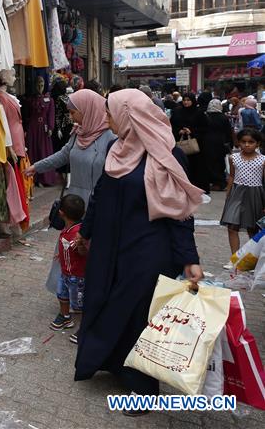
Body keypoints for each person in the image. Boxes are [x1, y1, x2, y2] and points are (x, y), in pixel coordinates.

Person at [75, 88, 203, 406]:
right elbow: (99, 195)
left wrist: (189, 259)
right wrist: (86, 232)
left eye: (110, 113)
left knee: (138, 315)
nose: (106, 119)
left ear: (128, 115)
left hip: (147, 250)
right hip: (109, 248)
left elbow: (180, 213)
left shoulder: (167, 155)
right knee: (104, 302)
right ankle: (114, 364)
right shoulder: (117, 149)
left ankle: (142, 388)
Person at [24, 89, 116, 204]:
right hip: (75, 204)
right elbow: (63, 155)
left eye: (73, 113)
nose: (71, 118)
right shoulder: (78, 133)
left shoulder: (111, 138)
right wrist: (36, 167)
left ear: (86, 110)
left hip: (99, 204)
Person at [220, 128, 265, 258]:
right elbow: (232, 176)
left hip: (255, 194)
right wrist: (228, 195)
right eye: (243, 142)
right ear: (238, 142)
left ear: (258, 144)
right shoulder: (233, 158)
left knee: (253, 228)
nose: (247, 145)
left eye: (251, 142)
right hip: (236, 192)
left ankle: (251, 259)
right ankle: (235, 258)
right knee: (232, 226)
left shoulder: (262, 160)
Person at [50, 194, 87, 346]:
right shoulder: (67, 229)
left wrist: (81, 246)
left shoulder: (78, 233)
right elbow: (66, 246)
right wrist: (62, 255)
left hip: (77, 277)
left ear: (61, 213)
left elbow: (83, 252)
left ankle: (84, 329)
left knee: (79, 304)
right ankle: (65, 317)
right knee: (62, 295)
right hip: (65, 273)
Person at [170, 93, 209, 192]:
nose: (186, 102)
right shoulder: (177, 112)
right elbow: (171, 125)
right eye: (184, 100)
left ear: (193, 101)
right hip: (181, 143)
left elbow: (205, 128)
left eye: (188, 100)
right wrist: (179, 131)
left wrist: (192, 131)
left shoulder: (199, 113)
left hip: (196, 145)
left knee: (196, 166)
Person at [201, 98, 234, 191]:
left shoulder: (205, 116)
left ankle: (212, 181)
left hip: (207, 142)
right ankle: (220, 182)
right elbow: (228, 132)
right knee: (219, 163)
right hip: (220, 143)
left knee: (208, 162)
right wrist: (230, 144)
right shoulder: (224, 117)